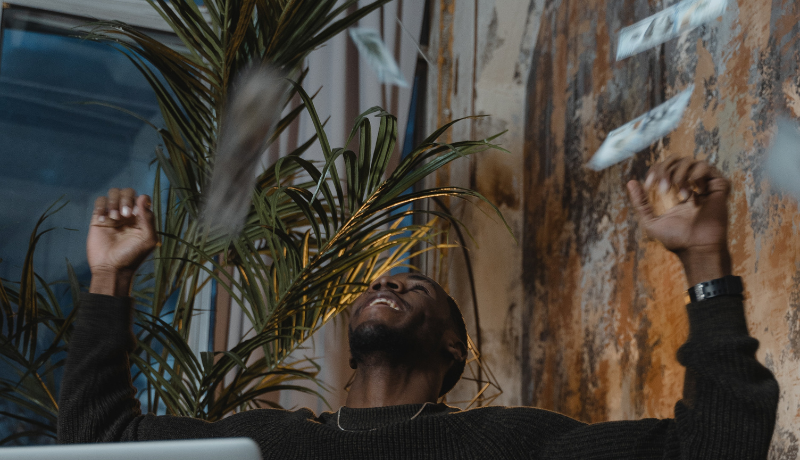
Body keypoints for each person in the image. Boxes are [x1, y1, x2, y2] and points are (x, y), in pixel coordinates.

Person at [58, 157, 779, 459]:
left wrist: (704, 260)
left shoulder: (507, 441)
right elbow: (98, 439)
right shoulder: (268, 443)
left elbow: (709, 449)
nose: (390, 285)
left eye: (417, 289)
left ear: (451, 352)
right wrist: (110, 280)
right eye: (379, 284)